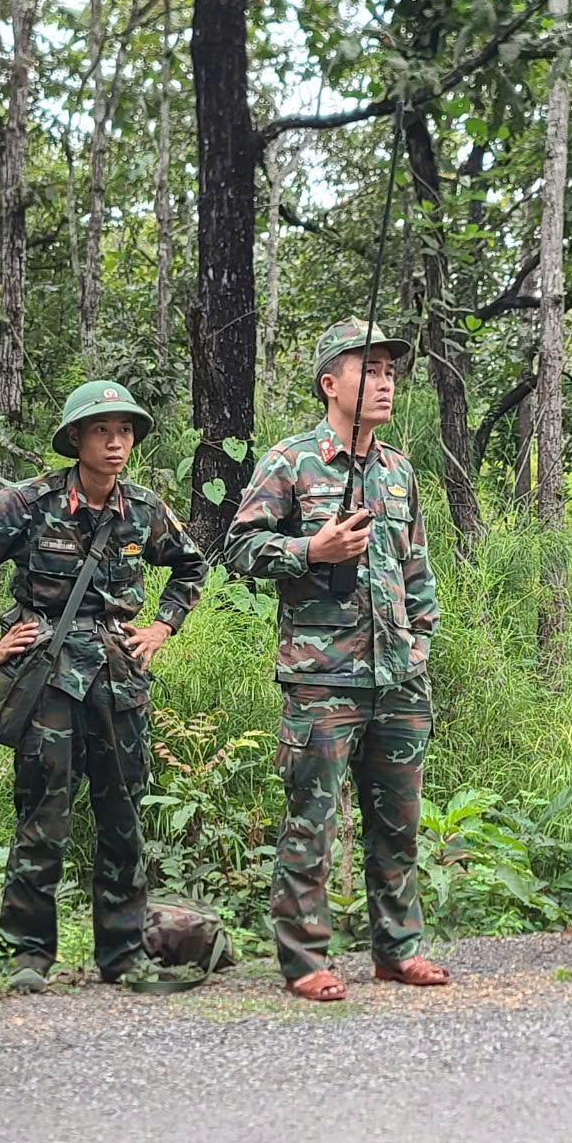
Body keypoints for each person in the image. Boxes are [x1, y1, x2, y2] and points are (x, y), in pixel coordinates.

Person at [224, 320, 451, 1002]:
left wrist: (420, 641)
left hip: (399, 677)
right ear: (330, 383)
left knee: (399, 824)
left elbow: (417, 567)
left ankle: (398, 949)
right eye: (369, 369)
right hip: (323, 679)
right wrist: (309, 552)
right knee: (312, 824)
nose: (385, 382)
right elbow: (238, 549)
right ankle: (304, 960)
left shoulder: (399, 470)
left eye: (390, 371)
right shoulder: (291, 463)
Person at [0, 381, 212, 996]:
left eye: (126, 430)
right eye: (102, 430)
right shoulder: (27, 503)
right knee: (42, 814)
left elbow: (192, 564)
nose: (116, 442)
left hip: (118, 678)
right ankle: (26, 955)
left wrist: (162, 626)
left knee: (121, 815)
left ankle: (122, 954)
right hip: (46, 675)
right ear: (77, 438)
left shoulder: (144, 509)